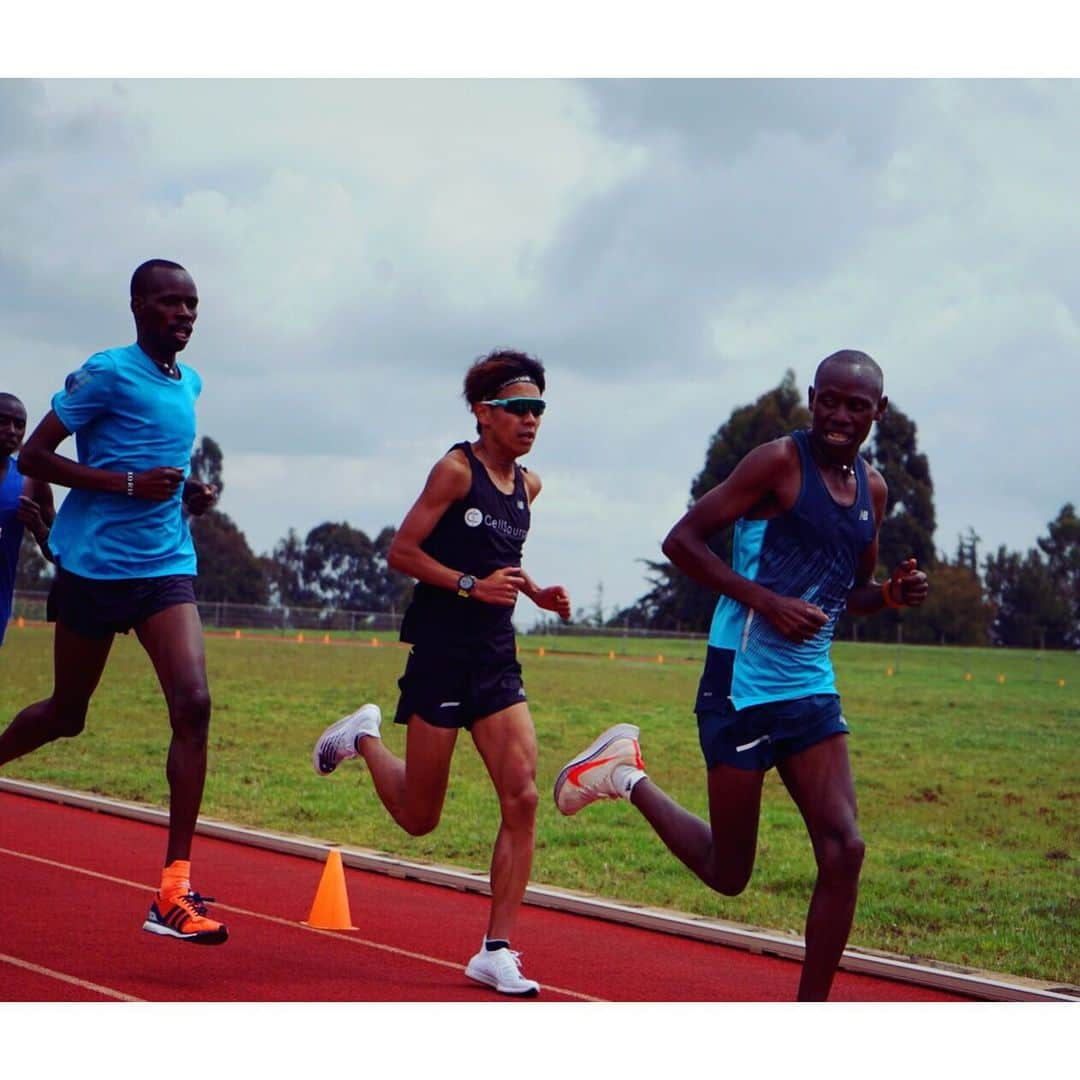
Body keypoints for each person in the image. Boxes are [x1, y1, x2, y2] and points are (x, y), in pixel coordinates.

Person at [553, 349, 929, 1001]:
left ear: (880, 412)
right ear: (813, 398)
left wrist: (891, 595)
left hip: (810, 687)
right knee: (730, 873)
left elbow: (852, 594)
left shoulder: (873, 490)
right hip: (741, 683)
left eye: (856, 405)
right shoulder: (779, 463)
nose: (840, 416)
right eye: (830, 401)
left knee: (846, 850)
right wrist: (767, 601)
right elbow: (682, 541)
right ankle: (623, 775)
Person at [312, 348, 571, 996]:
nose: (530, 419)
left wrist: (533, 592)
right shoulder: (454, 472)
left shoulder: (529, 486)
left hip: (494, 657)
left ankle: (497, 949)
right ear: (484, 413)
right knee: (419, 816)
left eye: (538, 408)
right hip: (439, 653)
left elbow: (501, 559)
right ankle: (362, 739)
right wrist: (466, 585)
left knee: (524, 795)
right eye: (518, 408)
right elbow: (402, 550)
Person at [0, 260, 227, 945]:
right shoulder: (106, 372)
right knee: (68, 714)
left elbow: (164, 470)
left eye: (192, 305)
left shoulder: (188, 382)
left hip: (164, 565)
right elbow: (36, 457)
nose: (184, 315)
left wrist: (187, 497)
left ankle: (173, 889)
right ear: (137, 306)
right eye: (170, 303)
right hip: (94, 569)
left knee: (194, 705)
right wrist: (126, 484)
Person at [0, 393, 55, 646]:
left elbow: (59, 551)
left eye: (19, 424)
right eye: (3, 421)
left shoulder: (31, 481)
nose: (12, 430)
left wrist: (39, 528)